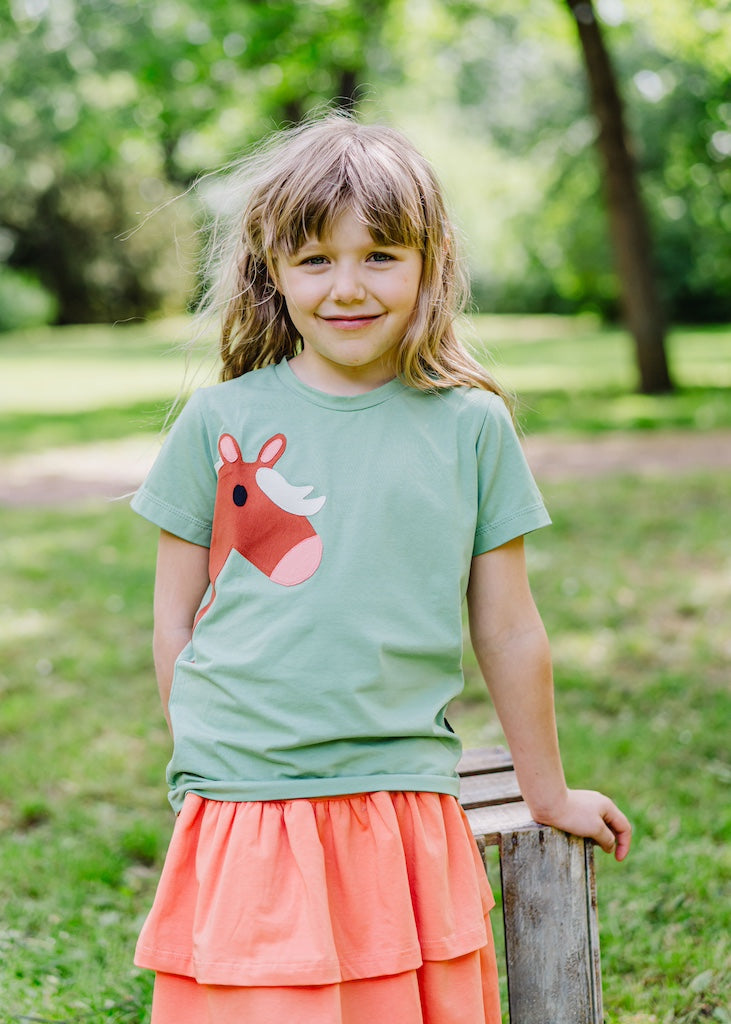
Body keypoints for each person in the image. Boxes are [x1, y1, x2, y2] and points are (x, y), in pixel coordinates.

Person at [130, 113, 631, 1024]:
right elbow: (176, 618)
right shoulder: (219, 423)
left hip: (396, 790)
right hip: (249, 796)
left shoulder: (470, 425)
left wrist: (546, 791)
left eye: (381, 256)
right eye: (316, 259)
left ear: (430, 265)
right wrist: (198, 759)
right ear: (270, 272)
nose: (347, 288)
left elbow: (509, 626)